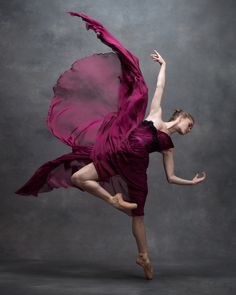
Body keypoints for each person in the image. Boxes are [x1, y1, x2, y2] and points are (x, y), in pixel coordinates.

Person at [15, 12, 206, 280]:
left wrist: (191, 182)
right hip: (117, 153)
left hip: (135, 171)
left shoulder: (168, 146)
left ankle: (143, 256)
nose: (190, 130)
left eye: (191, 129)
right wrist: (165, 64)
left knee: (138, 216)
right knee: (78, 177)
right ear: (181, 117)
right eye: (190, 124)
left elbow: (170, 177)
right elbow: (160, 86)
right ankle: (112, 199)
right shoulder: (155, 115)